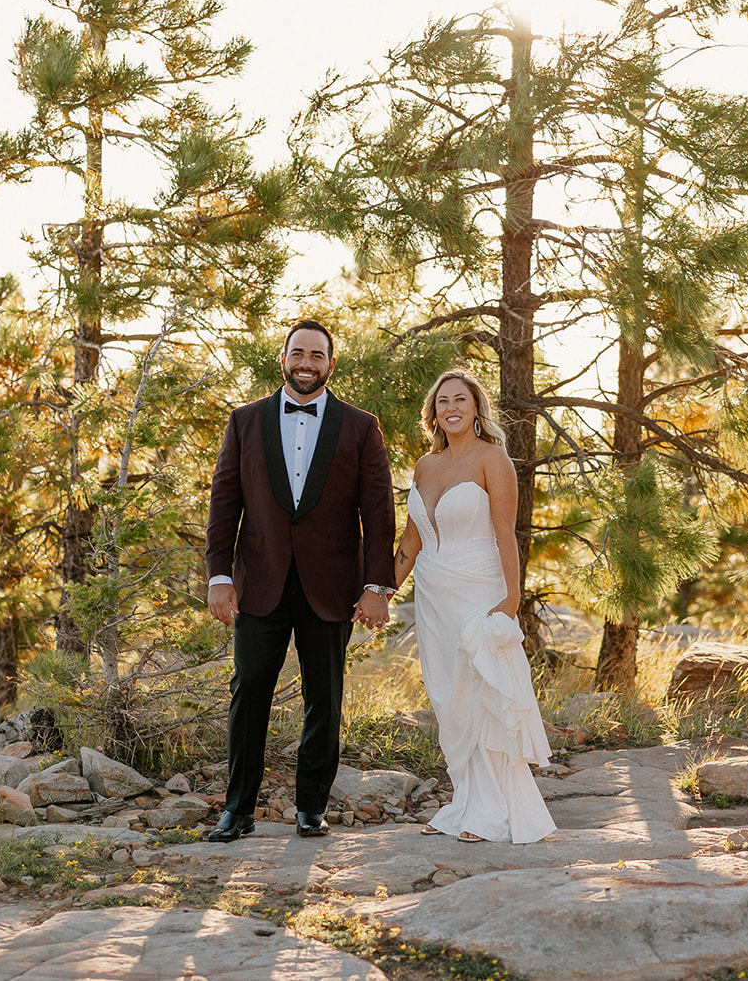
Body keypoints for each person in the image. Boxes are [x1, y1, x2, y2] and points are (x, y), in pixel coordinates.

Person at [203, 319, 397, 842]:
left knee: (324, 698)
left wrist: (377, 587)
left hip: (331, 585)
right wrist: (220, 576)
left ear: (331, 364)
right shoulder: (244, 421)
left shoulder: (361, 427)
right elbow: (224, 504)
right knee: (248, 694)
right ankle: (236, 809)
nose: (306, 362)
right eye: (298, 353)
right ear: (282, 357)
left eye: (317, 355)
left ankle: (311, 807)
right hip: (258, 583)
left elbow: (378, 511)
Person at [391, 368, 555, 844]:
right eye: (442, 401)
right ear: (434, 413)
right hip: (434, 596)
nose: (451, 407)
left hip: (480, 590)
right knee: (449, 698)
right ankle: (466, 802)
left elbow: (507, 534)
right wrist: (381, 591)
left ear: (476, 407)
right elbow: (411, 540)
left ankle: (493, 814)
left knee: (482, 692)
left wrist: (511, 599)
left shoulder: (493, 459)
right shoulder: (425, 466)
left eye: (460, 399)